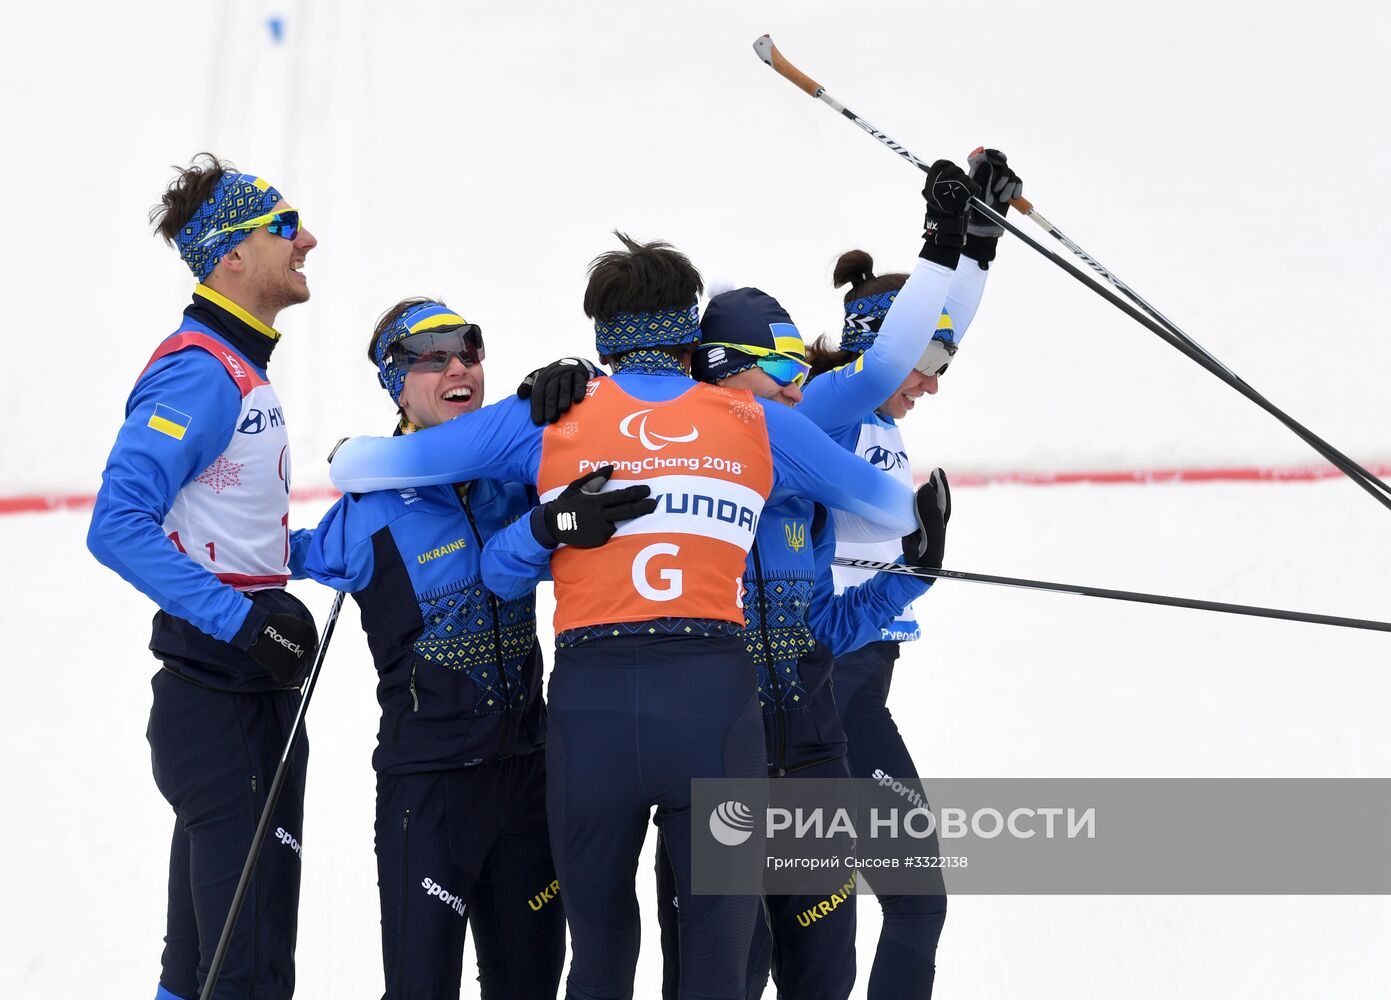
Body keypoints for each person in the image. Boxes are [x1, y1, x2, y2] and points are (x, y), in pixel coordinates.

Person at [328, 213, 965, 997]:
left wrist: (543, 398)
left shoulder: (547, 419)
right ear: (689, 334)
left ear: (602, 339)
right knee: (716, 958)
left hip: (592, 708)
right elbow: (894, 508)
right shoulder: (756, 422)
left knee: (600, 953)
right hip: (710, 703)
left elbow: (358, 465)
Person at [645, 285, 950, 1000]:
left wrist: (913, 574)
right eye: (778, 367)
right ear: (717, 368)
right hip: (719, 783)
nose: (796, 384)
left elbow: (827, 632)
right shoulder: (674, 492)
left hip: (811, 762)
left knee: (825, 979)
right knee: (728, 978)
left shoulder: (803, 506)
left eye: (797, 366)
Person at [87, 153, 321, 1000]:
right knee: (246, 972)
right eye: (286, 228)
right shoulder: (200, 370)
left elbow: (236, 537)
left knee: (201, 970)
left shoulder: (238, 368)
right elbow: (116, 527)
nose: (309, 241)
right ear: (232, 254)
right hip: (219, 698)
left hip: (237, 697)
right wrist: (241, 621)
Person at [801, 148, 1024, 999]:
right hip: (834, 683)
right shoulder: (840, 408)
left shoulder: (869, 411)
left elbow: (936, 329)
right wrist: (948, 239)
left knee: (895, 903)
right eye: (924, 364)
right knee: (890, 904)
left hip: (857, 682)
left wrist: (981, 241)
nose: (932, 382)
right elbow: (905, 349)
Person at [303, 298, 568, 999]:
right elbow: (261, 558)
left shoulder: (513, 480)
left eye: (469, 351)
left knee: (533, 984)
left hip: (529, 780)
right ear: (396, 380)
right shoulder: (370, 508)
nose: (458, 368)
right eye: (432, 355)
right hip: (431, 787)